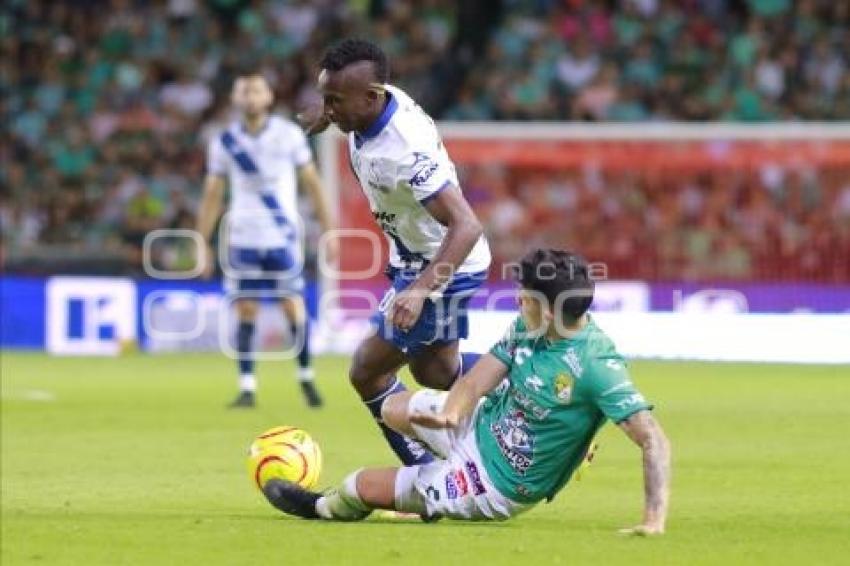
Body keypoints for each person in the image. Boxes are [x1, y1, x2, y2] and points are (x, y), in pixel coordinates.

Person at [262, 249, 671, 534]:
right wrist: (450, 415)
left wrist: (653, 519)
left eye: (523, 298)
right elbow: (475, 382)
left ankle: (321, 508)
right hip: (482, 425)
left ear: (547, 311)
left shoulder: (597, 367)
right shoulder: (529, 328)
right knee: (393, 410)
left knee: (359, 487)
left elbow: (653, 439)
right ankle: (426, 492)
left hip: (495, 483)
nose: (516, 302)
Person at [299, 38, 492, 465]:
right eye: (323, 99)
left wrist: (422, 289)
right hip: (417, 258)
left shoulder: (405, 150)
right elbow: (347, 104)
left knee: (367, 371)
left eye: (334, 101)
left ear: (372, 98)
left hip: (444, 264)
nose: (328, 109)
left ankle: (427, 475)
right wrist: (327, 116)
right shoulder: (371, 104)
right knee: (436, 373)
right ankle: (537, 397)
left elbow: (467, 225)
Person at [197, 72, 337, 408]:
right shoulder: (224, 141)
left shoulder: (289, 135)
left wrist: (329, 229)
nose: (250, 96)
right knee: (246, 308)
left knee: (292, 306)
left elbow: (313, 183)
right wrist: (201, 241)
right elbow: (213, 194)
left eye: (256, 89)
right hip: (242, 238)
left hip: (282, 237)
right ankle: (247, 387)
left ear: (269, 96)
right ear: (235, 98)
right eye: (243, 90)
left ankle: (306, 379)